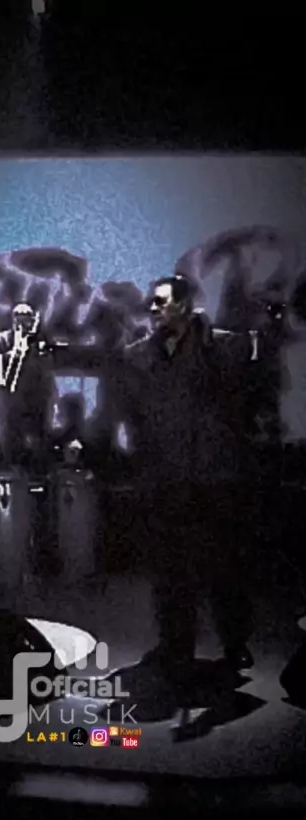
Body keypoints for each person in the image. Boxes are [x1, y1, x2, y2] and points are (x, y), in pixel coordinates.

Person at [124, 274, 255, 674]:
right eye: (151, 302)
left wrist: (203, 334)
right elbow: (137, 414)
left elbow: (243, 396)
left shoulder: (221, 347)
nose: (152, 308)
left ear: (183, 304)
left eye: (161, 302)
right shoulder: (141, 355)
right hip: (168, 480)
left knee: (222, 567)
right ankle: (175, 645)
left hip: (213, 480)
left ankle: (235, 643)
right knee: (170, 571)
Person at [0, 303, 55, 465]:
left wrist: (38, 347)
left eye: (26, 320)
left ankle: (38, 467)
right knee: (11, 436)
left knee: (40, 436)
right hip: (11, 398)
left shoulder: (39, 342)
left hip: (36, 398)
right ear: (13, 320)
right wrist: (15, 352)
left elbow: (47, 366)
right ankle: (12, 464)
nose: (22, 324)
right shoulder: (1, 339)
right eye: (19, 319)